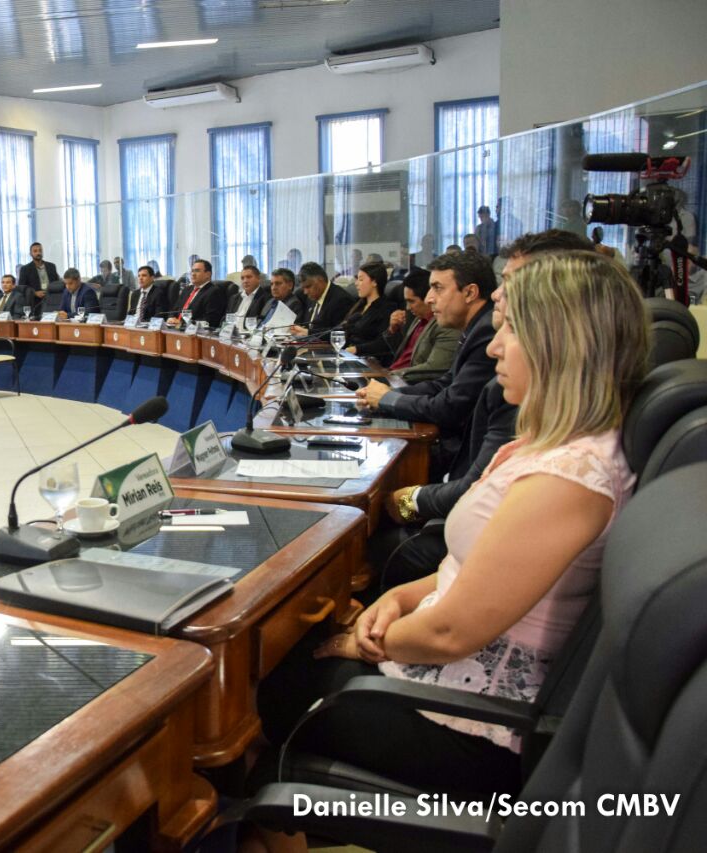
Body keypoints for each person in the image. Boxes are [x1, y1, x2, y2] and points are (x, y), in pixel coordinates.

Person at [250, 251, 648, 818]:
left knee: (266, 687)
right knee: (286, 668)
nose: (492, 346)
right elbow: (467, 567)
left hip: (479, 726)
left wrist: (366, 638)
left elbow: (450, 632)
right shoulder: (549, 444)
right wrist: (395, 598)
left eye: (510, 329)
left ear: (561, 341)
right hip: (445, 670)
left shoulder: (571, 479)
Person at [380, 230, 599, 586]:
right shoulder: (507, 353)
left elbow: (475, 490)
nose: (495, 292)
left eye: (511, 282)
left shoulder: (536, 399)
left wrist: (408, 500)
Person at [356, 252, 498, 467]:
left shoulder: (487, 331)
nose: (429, 297)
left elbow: (450, 407)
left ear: (470, 292)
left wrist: (387, 399)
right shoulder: (475, 327)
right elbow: (445, 383)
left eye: (438, 288)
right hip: (452, 450)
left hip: (460, 462)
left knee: (385, 479)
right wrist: (387, 394)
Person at [349, 268, 459, 384]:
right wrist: (393, 331)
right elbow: (402, 355)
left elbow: (434, 368)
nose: (407, 307)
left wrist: (389, 376)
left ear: (427, 298)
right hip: (393, 376)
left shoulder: (445, 325)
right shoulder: (418, 319)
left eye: (411, 301)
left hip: (407, 383)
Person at [289, 262, 354, 337]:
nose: (305, 292)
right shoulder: (311, 295)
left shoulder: (341, 300)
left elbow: (339, 333)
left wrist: (308, 332)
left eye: (308, 287)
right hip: (307, 342)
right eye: (303, 288)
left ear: (320, 280)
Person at [338, 261, 393, 349]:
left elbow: (383, 343)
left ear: (374, 282)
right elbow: (341, 329)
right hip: (347, 354)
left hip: (367, 359)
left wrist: (356, 350)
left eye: (361, 279)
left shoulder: (386, 308)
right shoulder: (360, 305)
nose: (356, 283)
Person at [171, 258, 228, 328]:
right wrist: (171, 318)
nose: (193, 274)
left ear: (208, 274)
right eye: (192, 271)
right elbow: (175, 309)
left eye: (197, 271)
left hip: (195, 333)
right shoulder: (187, 289)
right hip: (175, 328)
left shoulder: (214, 292)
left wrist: (183, 324)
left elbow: (210, 320)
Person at [15, 242, 59, 310]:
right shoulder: (25, 269)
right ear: (30, 254)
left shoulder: (51, 266)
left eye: (40, 250)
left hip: (51, 299)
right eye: (35, 251)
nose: (38, 253)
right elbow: (21, 288)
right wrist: (34, 293)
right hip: (35, 301)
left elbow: (57, 283)